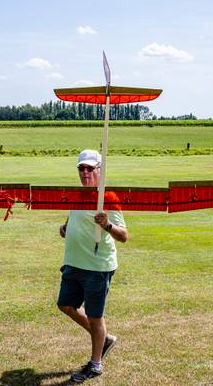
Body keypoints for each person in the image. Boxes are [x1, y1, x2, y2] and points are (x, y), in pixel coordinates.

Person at [57, 149, 129, 383]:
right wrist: (66, 228)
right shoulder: (77, 195)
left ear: (100, 170)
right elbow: (73, 219)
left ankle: (95, 364)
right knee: (66, 305)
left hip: (97, 266)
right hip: (73, 262)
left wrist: (107, 225)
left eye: (90, 168)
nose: (85, 172)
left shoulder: (108, 198)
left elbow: (124, 236)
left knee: (95, 316)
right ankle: (104, 338)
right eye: (81, 168)